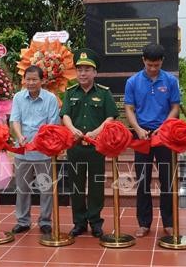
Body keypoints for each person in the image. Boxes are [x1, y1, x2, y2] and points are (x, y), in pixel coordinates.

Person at [124, 43, 180, 237]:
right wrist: (138, 129)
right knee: (143, 180)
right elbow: (129, 109)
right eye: (149, 65)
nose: (153, 69)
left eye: (156, 65)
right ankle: (144, 222)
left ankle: (170, 222)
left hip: (164, 135)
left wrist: (164, 127)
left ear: (162, 62)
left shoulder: (171, 81)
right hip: (143, 136)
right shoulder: (133, 82)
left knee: (168, 180)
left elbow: (175, 107)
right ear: (143, 61)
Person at [61, 49, 118, 238]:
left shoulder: (104, 93)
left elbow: (110, 116)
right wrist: (71, 128)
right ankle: (79, 222)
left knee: (96, 186)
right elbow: (66, 114)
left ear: (94, 73)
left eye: (87, 69)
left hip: (96, 147)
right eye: (79, 69)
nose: (83, 73)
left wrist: (97, 131)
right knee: (76, 186)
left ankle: (95, 222)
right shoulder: (70, 93)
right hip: (75, 146)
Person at [10, 65, 59, 235]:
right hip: (23, 150)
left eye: (34, 79)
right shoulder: (18, 97)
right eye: (27, 79)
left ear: (42, 80)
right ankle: (23, 221)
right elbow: (15, 120)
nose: (30, 83)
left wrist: (39, 140)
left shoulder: (51, 99)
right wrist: (20, 135)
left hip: (44, 151)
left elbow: (52, 124)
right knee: (22, 188)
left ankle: (45, 221)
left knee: (46, 188)